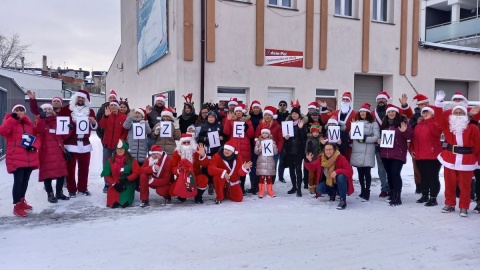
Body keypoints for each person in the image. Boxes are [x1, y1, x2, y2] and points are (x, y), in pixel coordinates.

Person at [433, 90, 480, 217]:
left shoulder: (473, 128)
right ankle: (449, 204)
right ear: (452, 115)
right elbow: (438, 116)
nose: (458, 115)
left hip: (466, 160)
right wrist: (438, 102)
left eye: (460, 113)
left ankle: (464, 206)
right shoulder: (448, 126)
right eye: (456, 113)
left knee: (465, 186)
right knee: (449, 183)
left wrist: (477, 160)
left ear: (465, 115)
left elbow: (477, 146)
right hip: (450, 158)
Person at [0, 104, 40, 217]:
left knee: (25, 180)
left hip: (29, 157)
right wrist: (13, 118)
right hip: (16, 156)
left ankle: (22, 201)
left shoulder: (28, 123)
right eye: (17, 110)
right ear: (13, 112)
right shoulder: (9, 121)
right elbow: (3, 132)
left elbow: (37, 136)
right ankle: (17, 205)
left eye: (21, 110)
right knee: (18, 180)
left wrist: (34, 146)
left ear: (24, 112)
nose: (19, 112)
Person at [371, 91, 413, 197]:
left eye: (383, 99)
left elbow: (409, 115)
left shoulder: (395, 111)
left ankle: (394, 191)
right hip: (380, 146)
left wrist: (404, 105)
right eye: (379, 99)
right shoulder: (372, 113)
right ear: (377, 101)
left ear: (386, 100)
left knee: (394, 172)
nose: (381, 101)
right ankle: (385, 188)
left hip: (396, 148)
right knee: (382, 169)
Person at [58, 90, 98, 197]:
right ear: (75, 98)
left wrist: (93, 123)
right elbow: (60, 124)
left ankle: (82, 188)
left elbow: (94, 126)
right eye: (78, 97)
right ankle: (71, 189)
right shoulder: (66, 110)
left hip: (84, 144)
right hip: (70, 144)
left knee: (84, 168)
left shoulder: (90, 111)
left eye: (82, 98)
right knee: (70, 169)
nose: (80, 99)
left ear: (86, 100)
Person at [378, 104, 413, 206]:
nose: (391, 113)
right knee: (389, 175)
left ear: (396, 113)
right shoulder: (385, 124)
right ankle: (392, 194)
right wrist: (379, 140)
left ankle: (398, 197)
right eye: (389, 112)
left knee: (395, 174)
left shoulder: (403, 123)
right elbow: (382, 137)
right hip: (385, 154)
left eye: (393, 111)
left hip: (398, 154)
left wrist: (404, 131)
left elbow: (410, 135)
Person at [35, 103, 70, 203]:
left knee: (61, 172)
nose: (47, 111)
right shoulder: (39, 120)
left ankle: (59, 192)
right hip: (46, 151)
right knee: (47, 173)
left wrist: (69, 129)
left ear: (52, 110)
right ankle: (50, 194)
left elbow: (63, 136)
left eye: (49, 109)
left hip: (58, 150)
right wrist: (41, 119)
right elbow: (38, 130)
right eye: (44, 109)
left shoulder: (58, 120)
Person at [409, 105, 442, 207]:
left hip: (433, 156)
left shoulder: (436, 124)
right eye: (423, 112)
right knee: (423, 177)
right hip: (420, 155)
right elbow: (414, 139)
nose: (425, 114)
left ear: (432, 113)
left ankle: (433, 197)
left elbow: (436, 133)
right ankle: (424, 195)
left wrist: (428, 120)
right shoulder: (418, 125)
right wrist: (412, 149)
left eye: (427, 112)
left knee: (432, 177)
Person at [305, 143, 354, 210]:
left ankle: (343, 200)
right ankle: (332, 192)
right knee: (319, 189)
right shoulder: (321, 158)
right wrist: (307, 161)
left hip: (339, 184)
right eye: (326, 150)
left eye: (330, 149)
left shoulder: (340, 158)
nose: (328, 151)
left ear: (334, 150)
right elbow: (312, 168)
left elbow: (350, 171)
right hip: (328, 183)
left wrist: (337, 171)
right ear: (324, 150)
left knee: (341, 176)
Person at [350, 103, 379, 202]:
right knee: (360, 173)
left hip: (368, 151)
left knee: (367, 172)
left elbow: (376, 136)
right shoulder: (357, 122)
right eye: (361, 111)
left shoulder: (373, 124)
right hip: (357, 150)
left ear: (368, 113)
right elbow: (351, 134)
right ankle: (362, 190)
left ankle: (367, 191)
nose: (362, 113)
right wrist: (353, 126)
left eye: (364, 111)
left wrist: (365, 139)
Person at [223, 103, 254, 194]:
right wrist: (228, 121)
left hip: (245, 147)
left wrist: (247, 127)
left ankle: (242, 187)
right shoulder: (232, 121)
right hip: (234, 146)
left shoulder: (248, 121)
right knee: (234, 167)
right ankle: (234, 186)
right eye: (237, 111)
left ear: (242, 112)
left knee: (243, 167)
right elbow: (226, 132)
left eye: (240, 111)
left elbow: (251, 135)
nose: (239, 113)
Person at [99, 99, 128, 192]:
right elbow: (101, 125)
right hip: (107, 145)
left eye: (115, 105)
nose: (113, 107)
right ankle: (107, 183)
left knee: (118, 165)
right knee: (106, 165)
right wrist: (105, 116)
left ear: (118, 107)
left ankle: (117, 181)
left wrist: (121, 141)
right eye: (111, 105)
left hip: (118, 147)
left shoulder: (123, 117)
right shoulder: (107, 116)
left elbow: (125, 131)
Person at [171, 134, 209, 203]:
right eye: (184, 143)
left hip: (195, 177)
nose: (186, 144)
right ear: (181, 144)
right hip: (182, 178)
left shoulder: (196, 151)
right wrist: (178, 170)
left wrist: (203, 155)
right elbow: (173, 167)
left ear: (192, 143)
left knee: (203, 179)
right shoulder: (177, 153)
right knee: (172, 190)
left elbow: (205, 164)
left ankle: (198, 196)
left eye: (188, 142)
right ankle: (182, 195)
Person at [101, 140, 140, 208]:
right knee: (112, 203)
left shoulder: (132, 161)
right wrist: (114, 184)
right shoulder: (110, 160)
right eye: (118, 149)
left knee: (124, 203)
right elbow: (107, 175)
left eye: (122, 149)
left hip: (127, 184)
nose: (120, 150)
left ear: (125, 150)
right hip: (114, 184)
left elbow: (136, 173)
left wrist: (126, 179)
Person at [320, 92, 357, 161]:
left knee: (346, 162)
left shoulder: (355, 114)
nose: (345, 101)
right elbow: (325, 120)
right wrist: (324, 108)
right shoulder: (335, 112)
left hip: (348, 142)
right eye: (344, 99)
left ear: (350, 101)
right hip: (334, 142)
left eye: (347, 100)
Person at [197, 110, 226, 195]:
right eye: (209, 117)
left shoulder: (220, 126)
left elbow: (225, 136)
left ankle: (216, 183)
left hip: (217, 150)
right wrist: (205, 139)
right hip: (208, 150)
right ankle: (209, 184)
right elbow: (200, 137)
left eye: (212, 117)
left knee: (216, 166)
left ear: (215, 118)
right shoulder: (204, 126)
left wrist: (222, 138)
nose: (210, 118)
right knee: (207, 167)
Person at [255, 106, 284, 184]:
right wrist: (257, 146)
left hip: (273, 151)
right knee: (261, 167)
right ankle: (260, 185)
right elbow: (256, 137)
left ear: (272, 116)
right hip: (262, 151)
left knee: (272, 168)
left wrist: (278, 150)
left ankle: (271, 184)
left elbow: (280, 139)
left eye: (269, 115)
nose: (267, 117)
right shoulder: (260, 125)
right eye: (266, 115)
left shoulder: (277, 126)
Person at [283, 104, 308, 197]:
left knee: (298, 169)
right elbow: (284, 138)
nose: (294, 115)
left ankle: (299, 189)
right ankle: (294, 187)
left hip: (299, 150)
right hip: (290, 150)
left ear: (299, 115)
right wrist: (285, 139)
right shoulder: (287, 124)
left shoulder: (302, 124)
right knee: (291, 169)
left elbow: (304, 138)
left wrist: (301, 128)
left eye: (296, 113)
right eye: (292, 113)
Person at [409, 94, 431, 194]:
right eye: (421, 104)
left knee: (429, 168)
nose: (424, 106)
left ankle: (429, 186)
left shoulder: (433, 114)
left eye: (425, 104)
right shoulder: (414, 116)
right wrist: (416, 123)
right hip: (417, 145)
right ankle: (419, 185)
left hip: (430, 146)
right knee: (417, 167)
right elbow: (409, 129)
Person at [254, 128, 278, 198]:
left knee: (269, 177)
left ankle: (270, 191)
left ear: (269, 134)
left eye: (266, 133)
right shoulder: (258, 142)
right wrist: (260, 148)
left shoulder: (272, 142)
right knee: (261, 177)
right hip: (261, 162)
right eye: (263, 133)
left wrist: (274, 147)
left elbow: (276, 152)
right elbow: (256, 152)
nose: (265, 134)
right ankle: (261, 191)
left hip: (270, 162)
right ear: (261, 134)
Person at [248, 100, 263, 194]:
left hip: (261, 144)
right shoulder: (248, 118)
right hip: (250, 144)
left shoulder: (263, 118)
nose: (256, 109)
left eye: (257, 107)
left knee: (260, 166)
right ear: (252, 109)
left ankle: (260, 185)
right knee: (252, 166)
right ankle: (253, 185)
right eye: (254, 108)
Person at [305, 125, 322, 194]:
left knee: (317, 174)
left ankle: (316, 186)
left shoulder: (320, 139)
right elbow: (307, 149)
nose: (315, 133)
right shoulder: (309, 140)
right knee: (311, 174)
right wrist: (308, 154)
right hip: (312, 159)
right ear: (311, 132)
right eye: (314, 132)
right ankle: (311, 186)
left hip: (319, 159)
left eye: (317, 132)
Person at [276, 100, 290, 183]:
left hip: (286, 140)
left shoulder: (289, 115)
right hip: (276, 139)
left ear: (286, 106)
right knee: (274, 160)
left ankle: (281, 176)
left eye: (284, 105)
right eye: (280, 104)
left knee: (282, 159)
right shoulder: (275, 115)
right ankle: (272, 176)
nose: (282, 106)